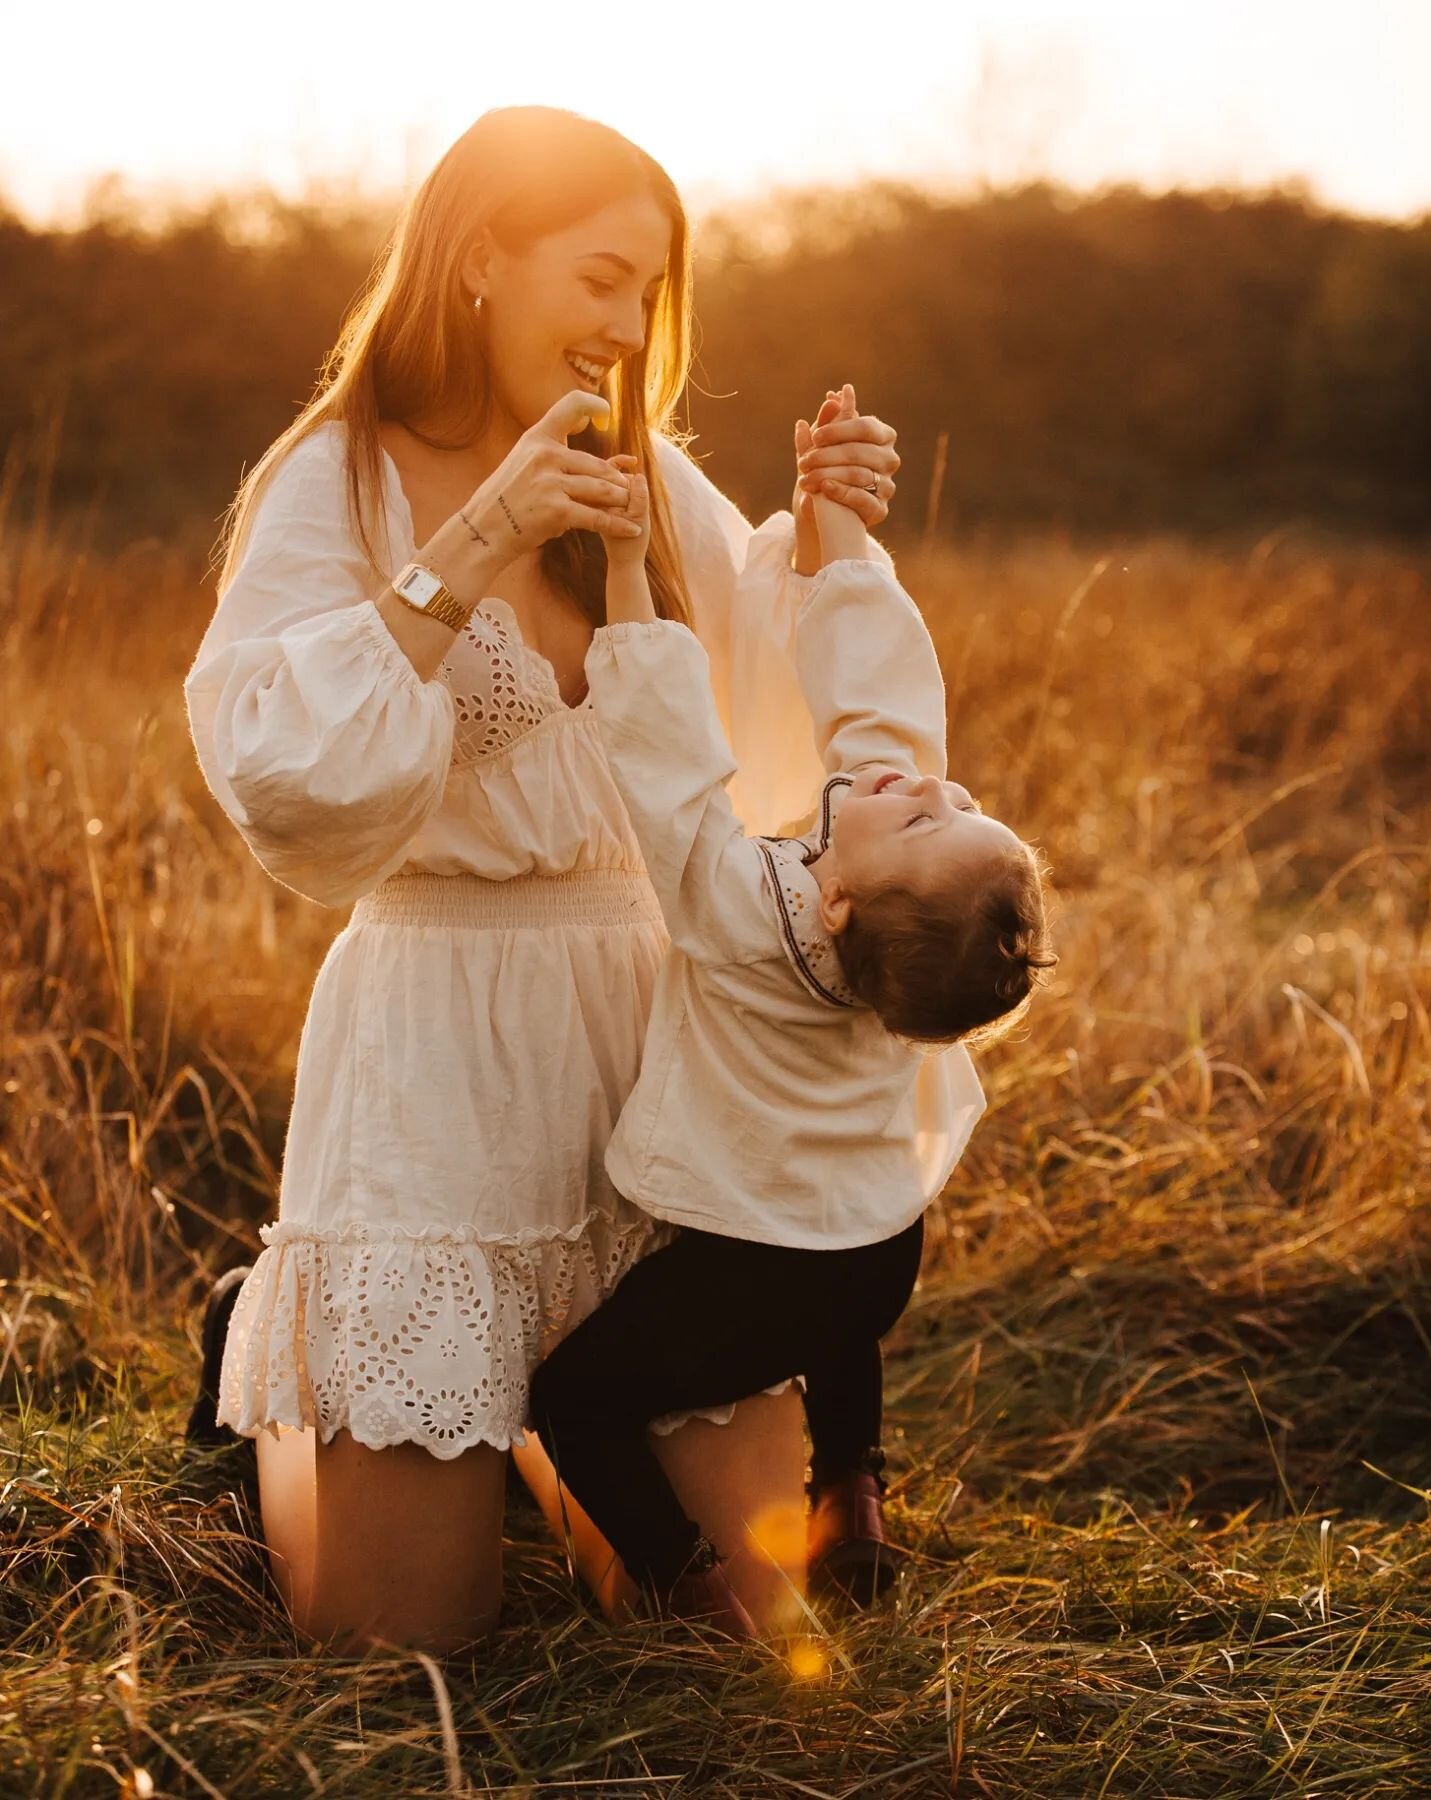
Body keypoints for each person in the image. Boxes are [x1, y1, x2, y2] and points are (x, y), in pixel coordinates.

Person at [181, 106, 904, 1652]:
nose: (624, 327)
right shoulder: (342, 477)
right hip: (435, 1060)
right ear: (475, 263)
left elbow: (768, 717)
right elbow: (286, 774)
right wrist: (480, 532)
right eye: (597, 278)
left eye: (648, 294)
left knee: (742, 1625)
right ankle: (290, 1388)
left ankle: (527, 1428)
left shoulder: (640, 473)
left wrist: (826, 545)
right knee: (399, 1650)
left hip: (648, 1060)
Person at [529, 390, 1053, 1637]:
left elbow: (665, 760)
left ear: (835, 911)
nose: (925, 778)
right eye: (955, 796)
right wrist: (835, 535)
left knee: (573, 1401)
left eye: (928, 815)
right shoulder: (891, 947)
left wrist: (621, 567)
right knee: (838, 1301)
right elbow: (881, 718)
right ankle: (853, 1492)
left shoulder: (739, 908)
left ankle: (680, 1581)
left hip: (751, 1275)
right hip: (876, 1260)